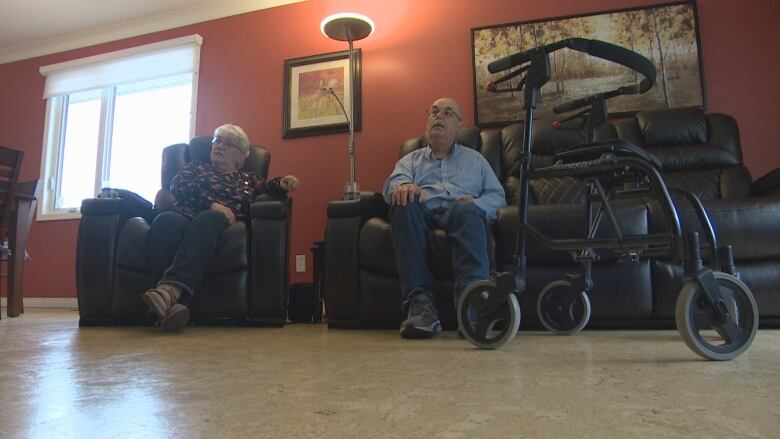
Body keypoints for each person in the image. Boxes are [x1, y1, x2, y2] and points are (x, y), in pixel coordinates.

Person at [143, 124, 300, 332]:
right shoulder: (195, 167)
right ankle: (170, 308)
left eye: (229, 143)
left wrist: (283, 183)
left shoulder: (248, 179)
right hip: (184, 215)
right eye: (217, 141)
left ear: (241, 157)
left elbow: (268, 188)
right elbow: (178, 186)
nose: (220, 146)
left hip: (217, 224)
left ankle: (167, 292)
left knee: (209, 218)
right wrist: (211, 202)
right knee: (164, 222)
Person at [383, 97, 506, 339]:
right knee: (403, 203)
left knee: (468, 210)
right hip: (422, 213)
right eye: (435, 112)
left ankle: (471, 306)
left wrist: (476, 203)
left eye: (448, 113)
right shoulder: (411, 159)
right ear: (427, 122)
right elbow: (392, 185)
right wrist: (405, 186)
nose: (439, 116)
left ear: (460, 128)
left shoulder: (476, 160)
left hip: (460, 213)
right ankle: (420, 307)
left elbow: (498, 196)